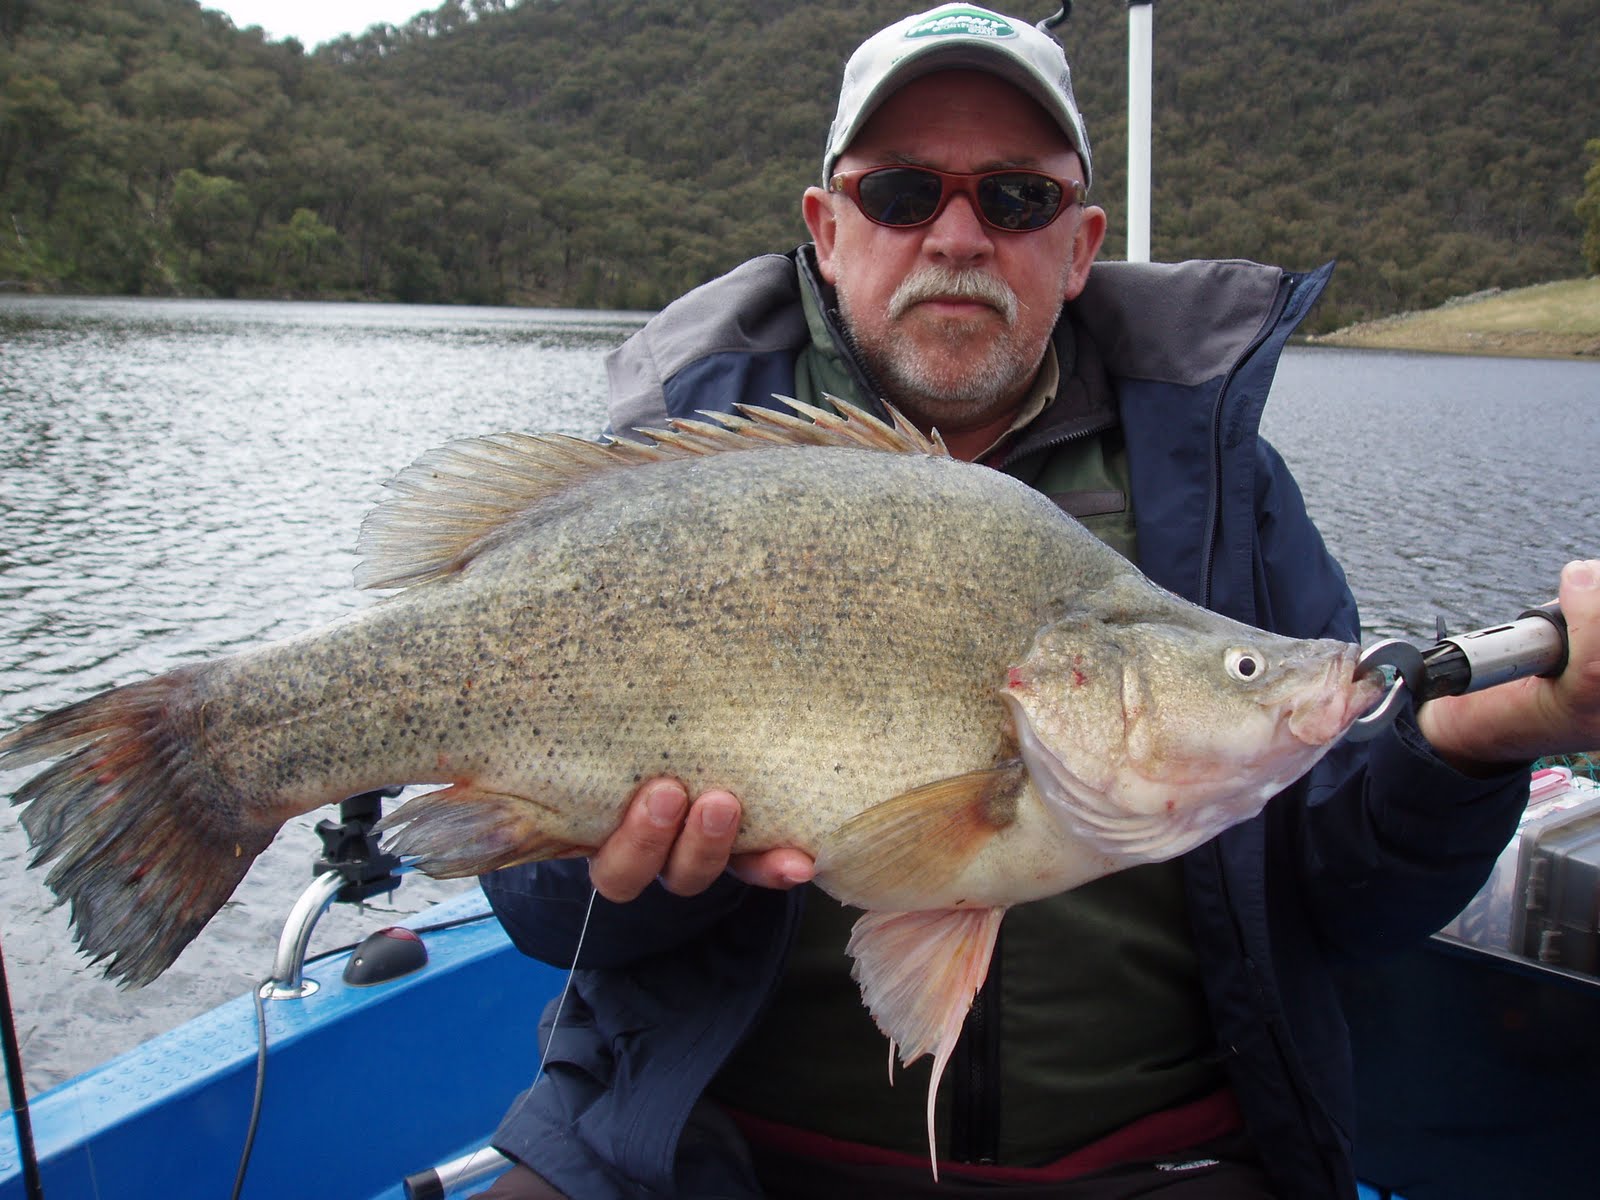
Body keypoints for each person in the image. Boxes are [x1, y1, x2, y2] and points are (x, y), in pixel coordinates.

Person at [472, 6, 1600, 1198]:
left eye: (1016, 198)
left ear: (1077, 244)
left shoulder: (1220, 489)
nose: (957, 236)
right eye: (901, 193)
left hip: (1158, 1163)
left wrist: (1475, 742)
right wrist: (618, 874)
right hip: (697, 1151)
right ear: (828, 229)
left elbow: (1346, 896)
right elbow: (543, 918)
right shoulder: (682, 475)